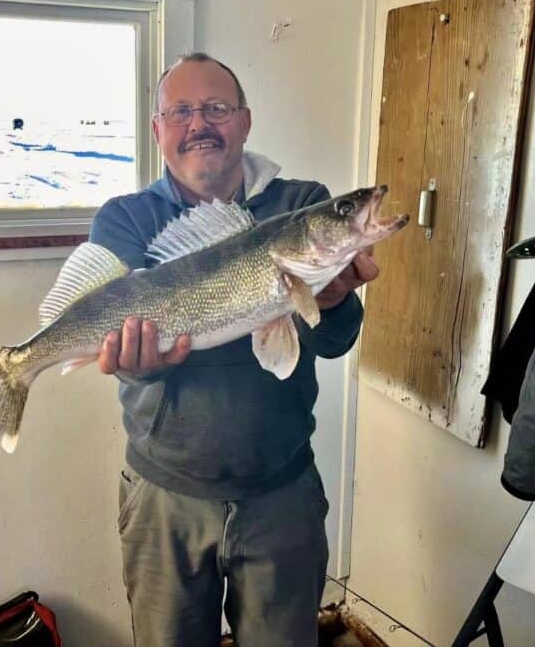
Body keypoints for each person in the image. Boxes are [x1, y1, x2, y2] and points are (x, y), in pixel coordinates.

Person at [88, 52, 379, 647]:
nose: (200, 124)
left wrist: (331, 298)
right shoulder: (126, 221)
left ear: (245, 122)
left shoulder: (303, 205)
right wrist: (138, 369)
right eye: (182, 111)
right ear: (159, 130)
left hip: (282, 491)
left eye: (217, 108)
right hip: (165, 496)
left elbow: (334, 341)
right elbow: (120, 354)